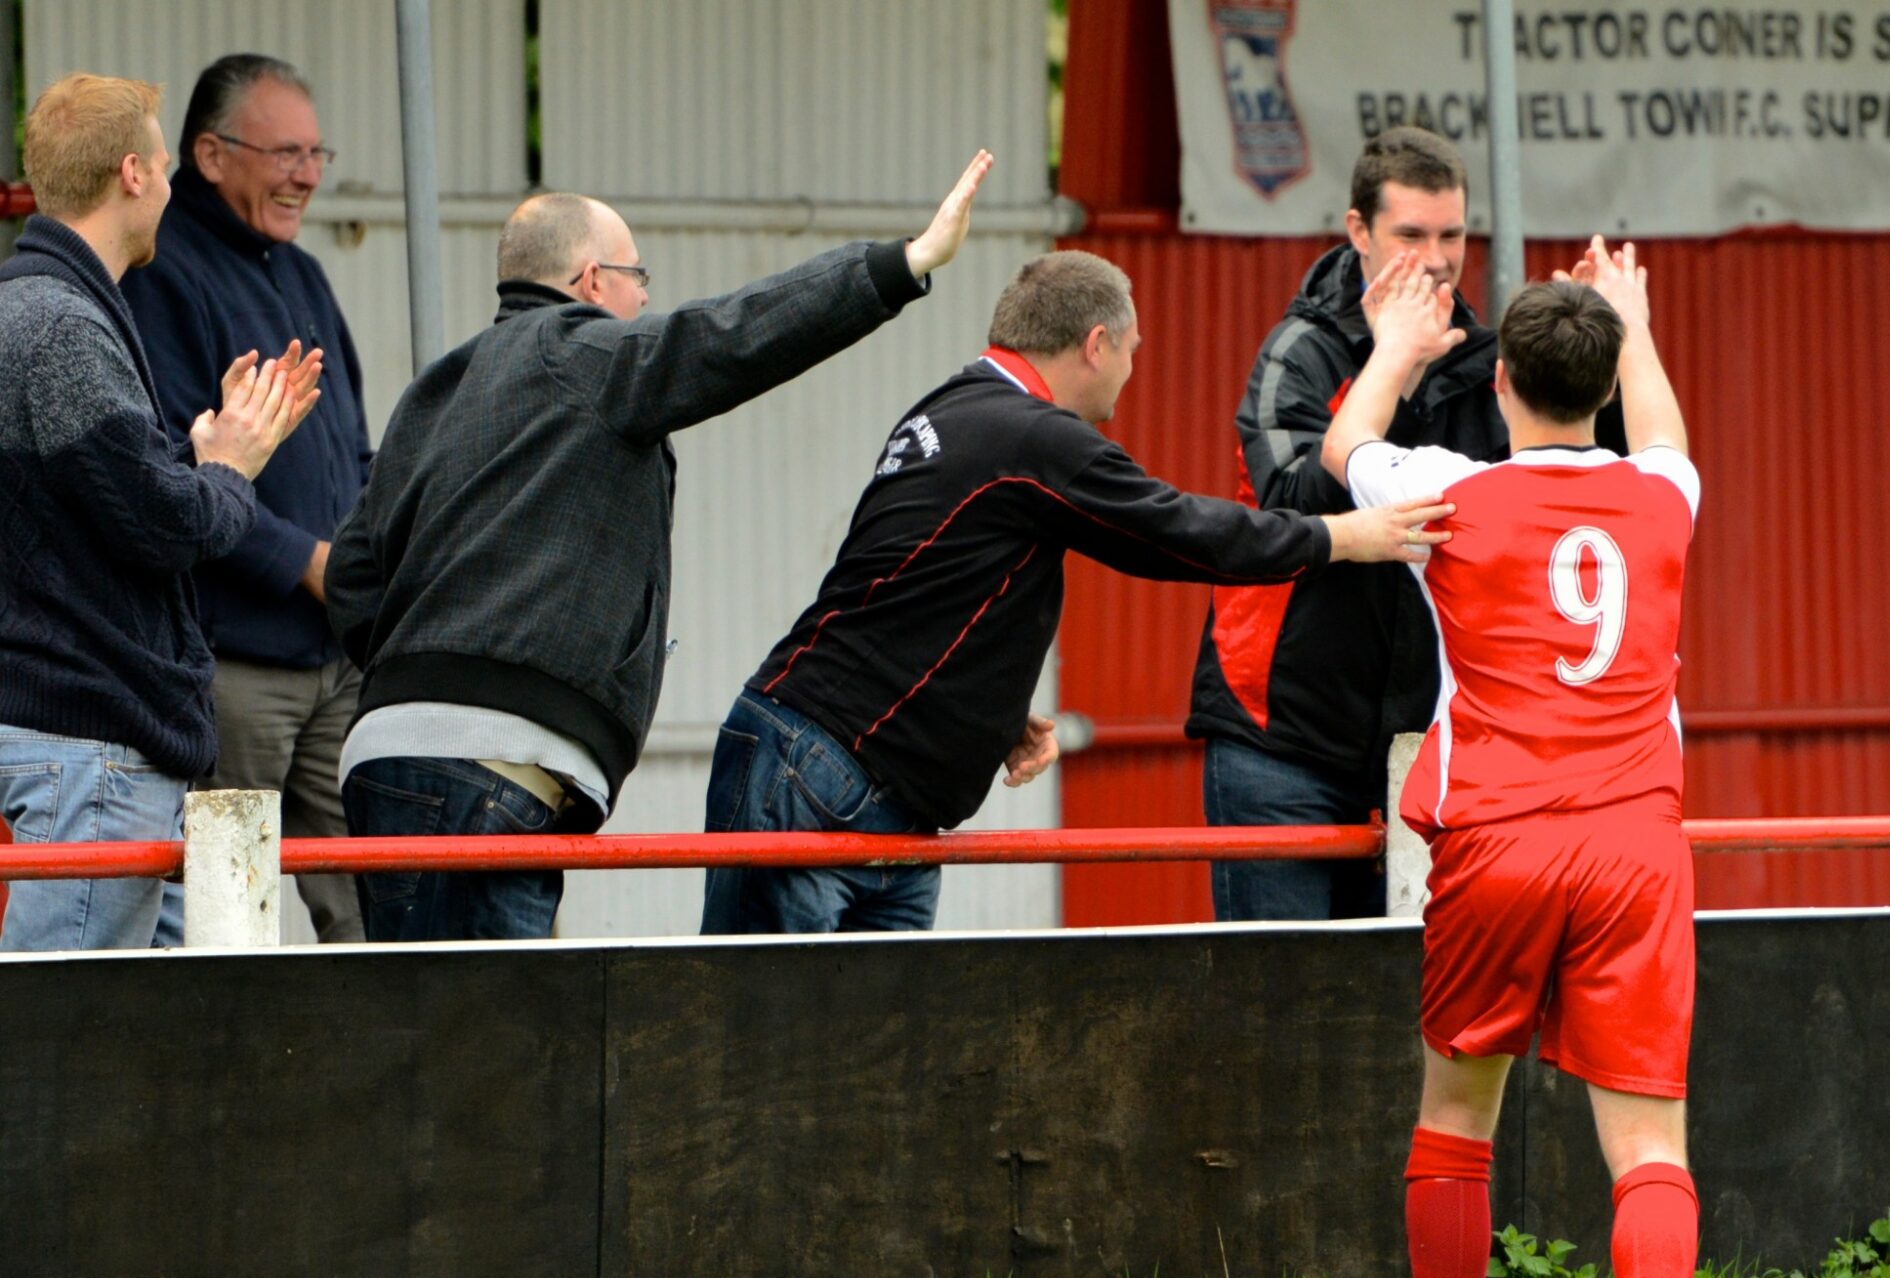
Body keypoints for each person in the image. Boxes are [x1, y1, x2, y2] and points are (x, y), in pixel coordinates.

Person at [324, 152, 996, 943]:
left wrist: (428, 673)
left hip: (385, 755)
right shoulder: (585, 352)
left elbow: (352, 576)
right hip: (493, 763)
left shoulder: (434, 390)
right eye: (637, 276)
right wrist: (902, 264)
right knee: (483, 1021)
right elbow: (726, 336)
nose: (645, 298)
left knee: (426, 1006)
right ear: (591, 279)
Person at [698, 250, 1458, 936]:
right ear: (1096, 344)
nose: (1131, 370)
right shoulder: (1033, 435)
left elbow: (925, 584)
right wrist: (1342, 535)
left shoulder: (952, 408)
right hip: (822, 770)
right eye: (1131, 350)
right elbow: (1179, 530)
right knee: (760, 1029)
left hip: (849, 774)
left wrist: (984, 716)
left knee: (869, 1042)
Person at [1322, 240, 1700, 1278]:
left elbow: (1344, 443)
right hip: (1634, 844)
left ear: (1498, 382)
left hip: (1496, 837)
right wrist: (1630, 320)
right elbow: (1664, 434)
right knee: (1648, 1144)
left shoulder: (1448, 492)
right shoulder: (1664, 494)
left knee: (1454, 1119)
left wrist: (1396, 346)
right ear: (1608, 378)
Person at [1184, 127, 1622, 922]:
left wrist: (1604, 348)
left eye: (1453, 235)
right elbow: (1291, 500)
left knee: (1398, 992)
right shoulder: (1300, 351)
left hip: (1426, 747)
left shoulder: (1488, 360)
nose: (1437, 258)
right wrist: (1396, 363)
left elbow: (1576, 480)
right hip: (1280, 741)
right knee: (1277, 993)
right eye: (1411, 234)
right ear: (1359, 231)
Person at [0, 74, 319, 952]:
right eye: (168, 168)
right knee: (68, 1023)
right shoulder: (63, 328)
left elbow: (98, 502)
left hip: (79, 744)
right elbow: (166, 525)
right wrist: (231, 465)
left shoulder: (29, 307)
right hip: (92, 747)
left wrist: (194, 455)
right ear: (133, 173)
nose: (173, 189)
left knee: (145, 1023)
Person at [122, 54, 371, 944]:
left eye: (316, 154)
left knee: (375, 920)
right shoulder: (160, 274)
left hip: (335, 658)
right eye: (285, 153)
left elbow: (353, 449)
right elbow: (176, 470)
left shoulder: (299, 273)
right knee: (229, 927)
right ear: (211, 154)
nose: (307, 174)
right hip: (232, 669)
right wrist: (309, 562)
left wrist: (370, 551)